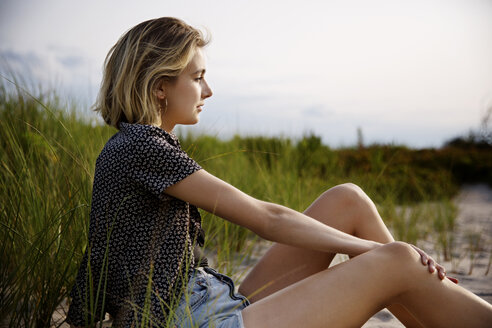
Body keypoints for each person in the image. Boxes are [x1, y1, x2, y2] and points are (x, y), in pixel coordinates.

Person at [66, 17, 492, 328]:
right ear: (159, 85)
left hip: (211, 306)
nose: (208, 90)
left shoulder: (138, 146)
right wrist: (372, 252)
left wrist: (374, 251)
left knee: (348, 200)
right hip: (194, 321)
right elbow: (268, 219)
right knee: (397, 258)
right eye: (198, 78)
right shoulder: (141, 146)